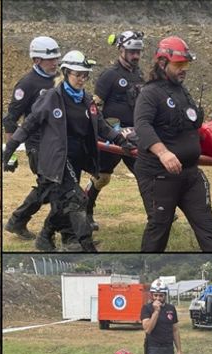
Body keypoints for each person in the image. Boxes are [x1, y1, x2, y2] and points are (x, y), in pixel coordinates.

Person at [3, 51, 134, 252]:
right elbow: (28, 125)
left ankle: (46, 237)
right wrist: (10, 149)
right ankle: (83, 244)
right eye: (77, 74)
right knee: (76, 198)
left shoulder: (86, 100)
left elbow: (101, 125)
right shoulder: (52, 98)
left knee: (60, 199)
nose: (82, 79)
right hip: (56, 159)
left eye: (85, 75)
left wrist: (120, 141)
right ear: (65, 73)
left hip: (76, 158)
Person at [133, 36, 212, 252]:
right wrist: (163, 153)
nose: (183, 69)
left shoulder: (181, 91)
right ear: (162, 63)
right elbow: (142, 125)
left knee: (208, 230)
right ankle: (146, 270)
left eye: (185, 64)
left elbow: (190, 126)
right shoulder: (150, 93)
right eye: (178, 65)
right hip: (159, 176)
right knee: (159, 227)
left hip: (190, 175)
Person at [3, 36, 61, 241]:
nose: (54, 62)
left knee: (51, 186)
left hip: (56, 143)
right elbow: (11, 120)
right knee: (51, 185)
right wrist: (10, 154)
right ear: (36, 60)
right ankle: (63, 233)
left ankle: (18, 221)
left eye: (56, 58)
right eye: (49, 59)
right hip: (36, 144)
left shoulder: (59, 79)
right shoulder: (27, 84)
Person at [87, 30, 146, 230]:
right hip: (112, 135)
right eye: (131, 51)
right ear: (121, 49)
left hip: (134, 135)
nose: (135, 55)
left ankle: (155, 212)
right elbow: (95, 106)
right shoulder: (109, 75)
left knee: (143, 172)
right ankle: (86, 211)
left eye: (138, 51)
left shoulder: (139, 74)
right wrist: (104, 131)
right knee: (102, 177)